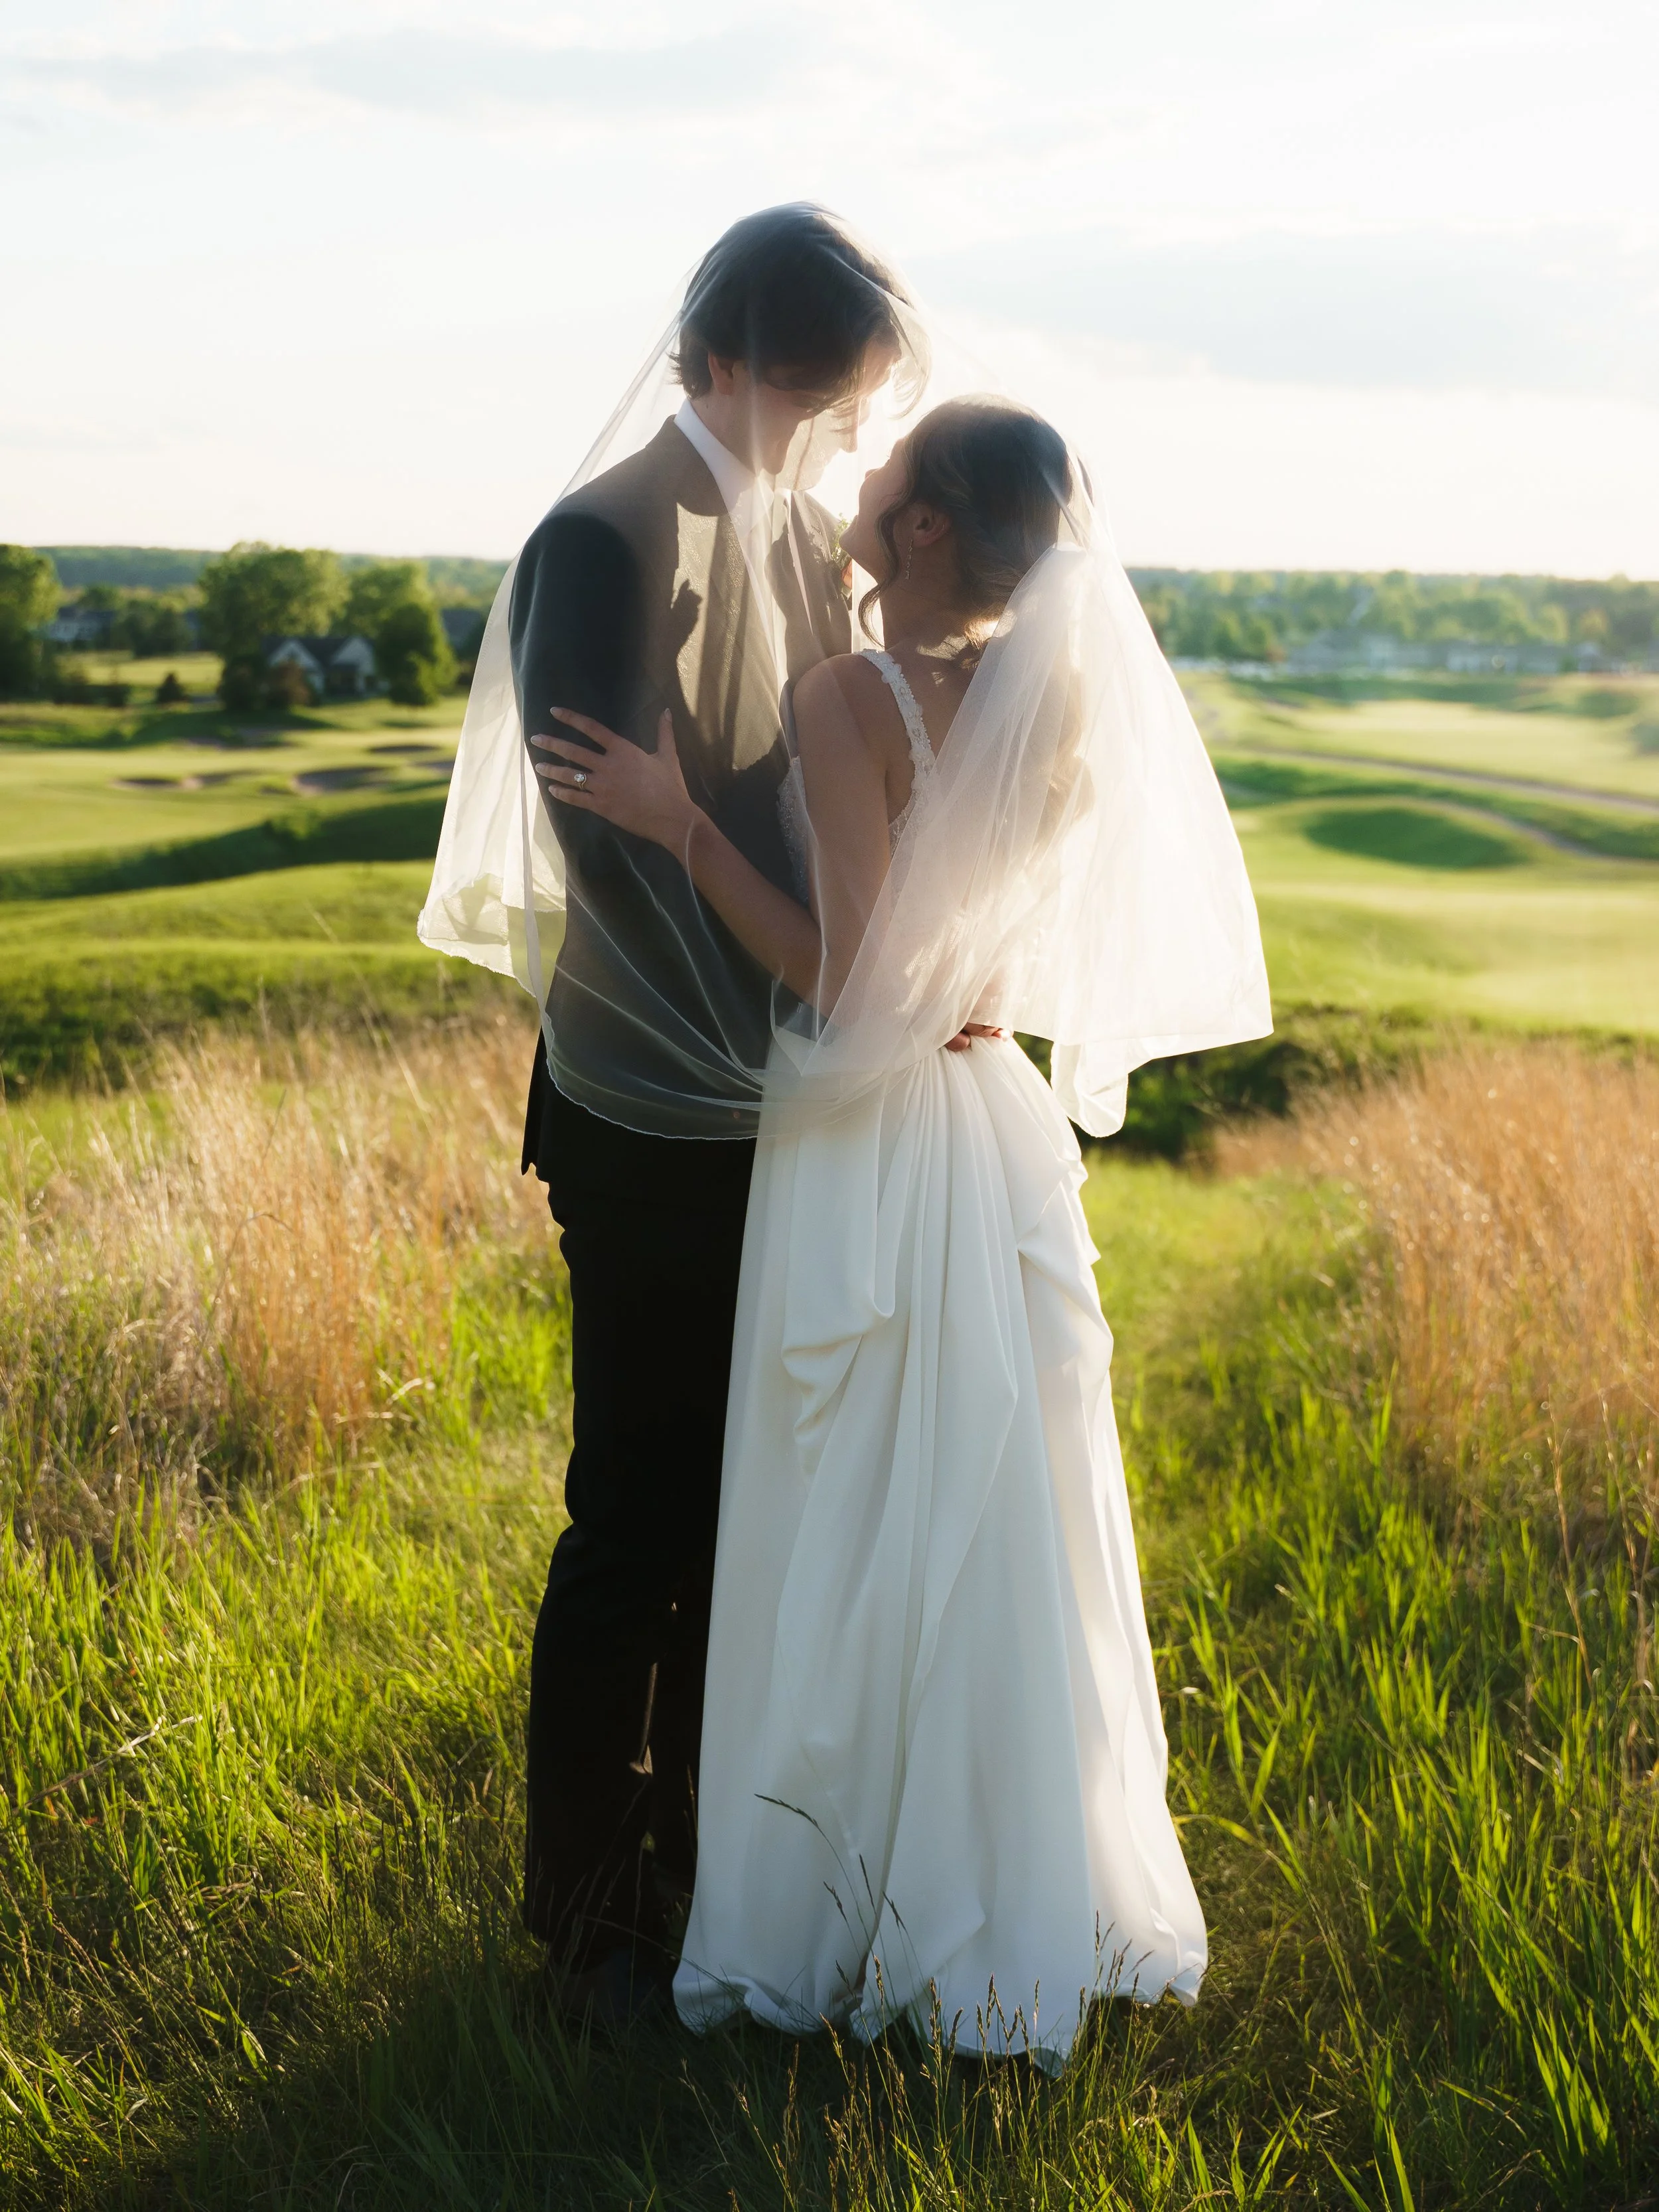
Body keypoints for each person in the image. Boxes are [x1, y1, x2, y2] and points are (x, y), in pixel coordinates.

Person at [534, 394, 1272, 2067]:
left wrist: (677, 819)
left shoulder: (846, 695)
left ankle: (835, 1901)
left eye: (891, 466)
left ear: (926, 525)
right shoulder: (1059, 708)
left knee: (847, 1513)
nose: (861, 476)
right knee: (990, 1513)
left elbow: (852, 982)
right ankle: (1003, 1877)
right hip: (993, 1119)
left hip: (870, 1134)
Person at [505, 208, 914, 2021]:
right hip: (649, 1109)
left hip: (794, 1105)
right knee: (637, 1519)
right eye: (812, 402)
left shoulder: (812, 538)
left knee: (748, 1528)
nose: (826, 440)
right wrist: (779, 892)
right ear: (724, 362)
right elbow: (602, 826)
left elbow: (832, 773)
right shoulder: (596, 541)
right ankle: (585, 1917)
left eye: (847, 413)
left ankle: (697, 1882)